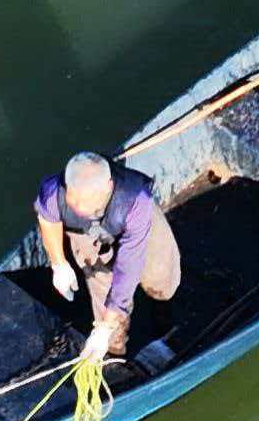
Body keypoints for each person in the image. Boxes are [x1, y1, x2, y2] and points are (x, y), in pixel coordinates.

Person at [34, 148, 181, 364]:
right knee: (103, 295)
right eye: (75, 201)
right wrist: (59, 264)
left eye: (89, 202)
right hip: (87, 234)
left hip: (133, 228)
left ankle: (164, 317)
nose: (82, 208)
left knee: (161, 279)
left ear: (108, 186)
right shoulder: (52, 190)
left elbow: (129, 263)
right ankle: (114, 354)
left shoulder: (137, 200)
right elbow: (48, 220)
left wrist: (106, 325)